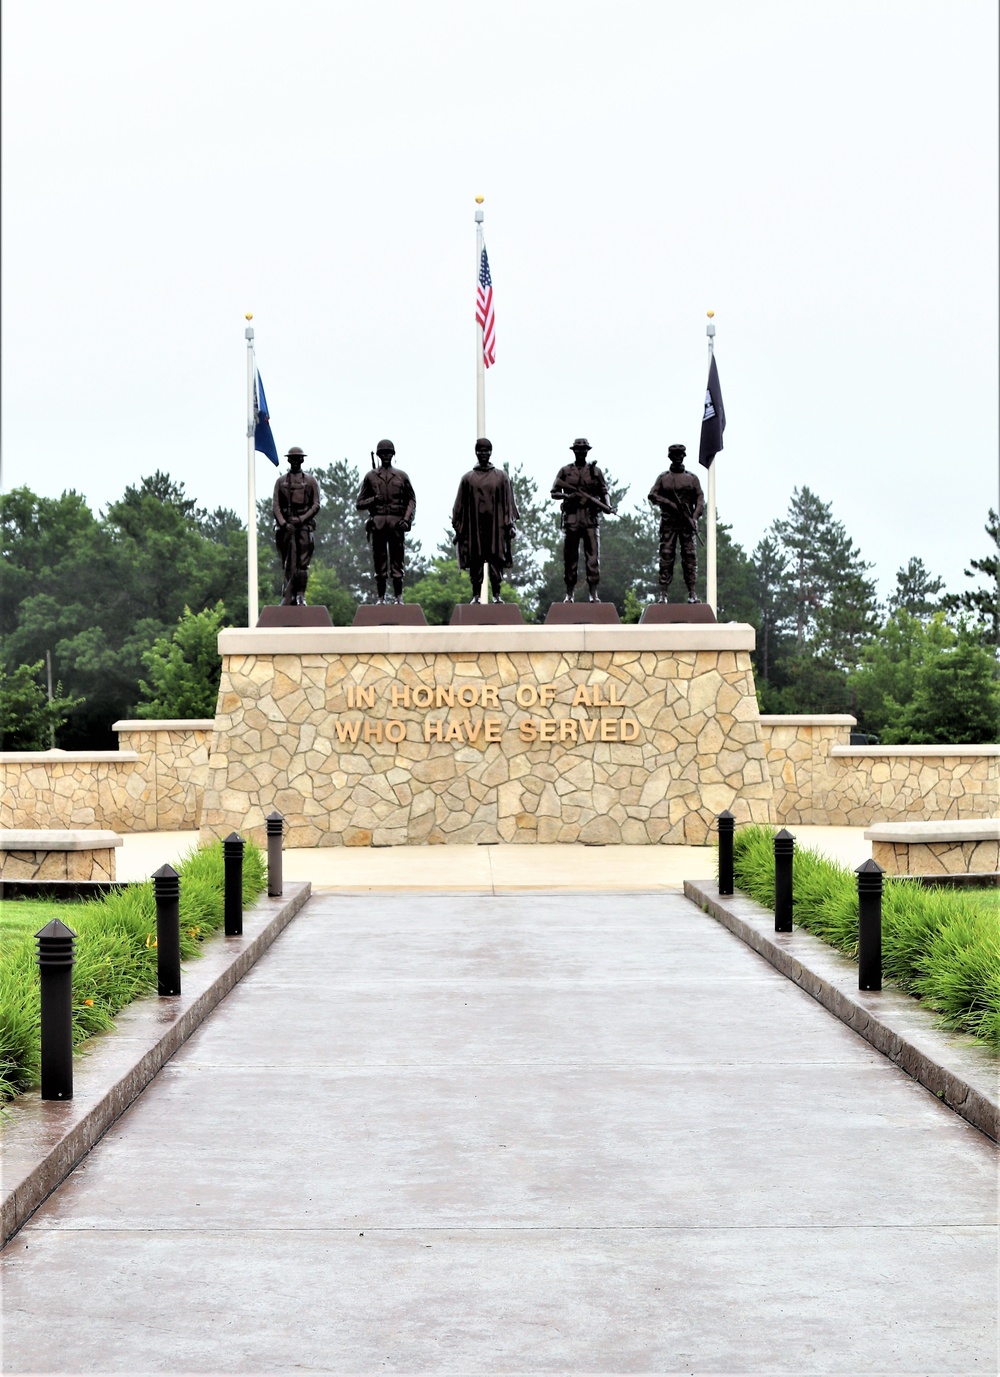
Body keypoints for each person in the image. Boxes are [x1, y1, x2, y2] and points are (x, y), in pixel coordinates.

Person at [451, 438, 519, 603]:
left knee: (496, 561)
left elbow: (508, 502)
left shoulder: (501, 477)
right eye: (480, 451)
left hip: (496, 527)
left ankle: (496, 595)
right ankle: (476, 595)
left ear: (491, 452)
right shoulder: (468, 478)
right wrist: (458, 528)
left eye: (486, 451)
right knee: (476, 562)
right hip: (475, 528)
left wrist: (510, 524)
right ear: (476, 452)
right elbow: (459, 506)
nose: (483, 454)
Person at [550, 437, 615, 602]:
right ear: (574, 451)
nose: (581, 452)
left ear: (587, 451)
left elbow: (603, 490)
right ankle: (569, 594)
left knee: (593, 558)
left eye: (584, 450)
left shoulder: (595, 471)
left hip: (590, 520)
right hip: (571, 519)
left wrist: (607, 505)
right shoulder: (565, 471)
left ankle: (593, 594)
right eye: (578, 450)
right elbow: (554, 492)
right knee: (570, 559)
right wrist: (567, 496)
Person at [355, 439, 417, 604]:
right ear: (379, 455)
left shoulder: (402, 476)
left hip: (397, 523)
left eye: (389, 453)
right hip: (379, 522)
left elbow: (411, 500)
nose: (386, 456)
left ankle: (398, 597)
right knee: (379, 561)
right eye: (383, 453)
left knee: (398, 561)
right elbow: (359, 503)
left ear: (393, 454)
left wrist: (406, 519)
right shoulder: (371, 477)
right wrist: (374, 499)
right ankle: (381, 598)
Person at [647, 443, 704, 603]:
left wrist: (694, 517)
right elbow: (652, 495)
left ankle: (692, 593)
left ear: (684, 456)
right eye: (675, 455)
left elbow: (700, 500)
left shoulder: (692, 479)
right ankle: (663, 594)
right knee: (666, 556)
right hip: (669, 523)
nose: (678, 458)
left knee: (690, 557)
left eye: (680, 455)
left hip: (686, 524)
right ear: (670, 457)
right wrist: (669, 503)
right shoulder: (664, 478)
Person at [272, 447, 321, 606]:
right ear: (288, 460)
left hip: (304, 526)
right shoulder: (281, 482)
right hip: (286, 528)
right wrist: (284, 524)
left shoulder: (310, 481)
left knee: (302, 564)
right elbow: (276, 505)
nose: (295, 461)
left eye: (298, 458)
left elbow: (316, 505)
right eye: (292, 459)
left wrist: (301, 519)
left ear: (302, 460)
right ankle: (289, 594)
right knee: (288, 562)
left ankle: (301, 595)